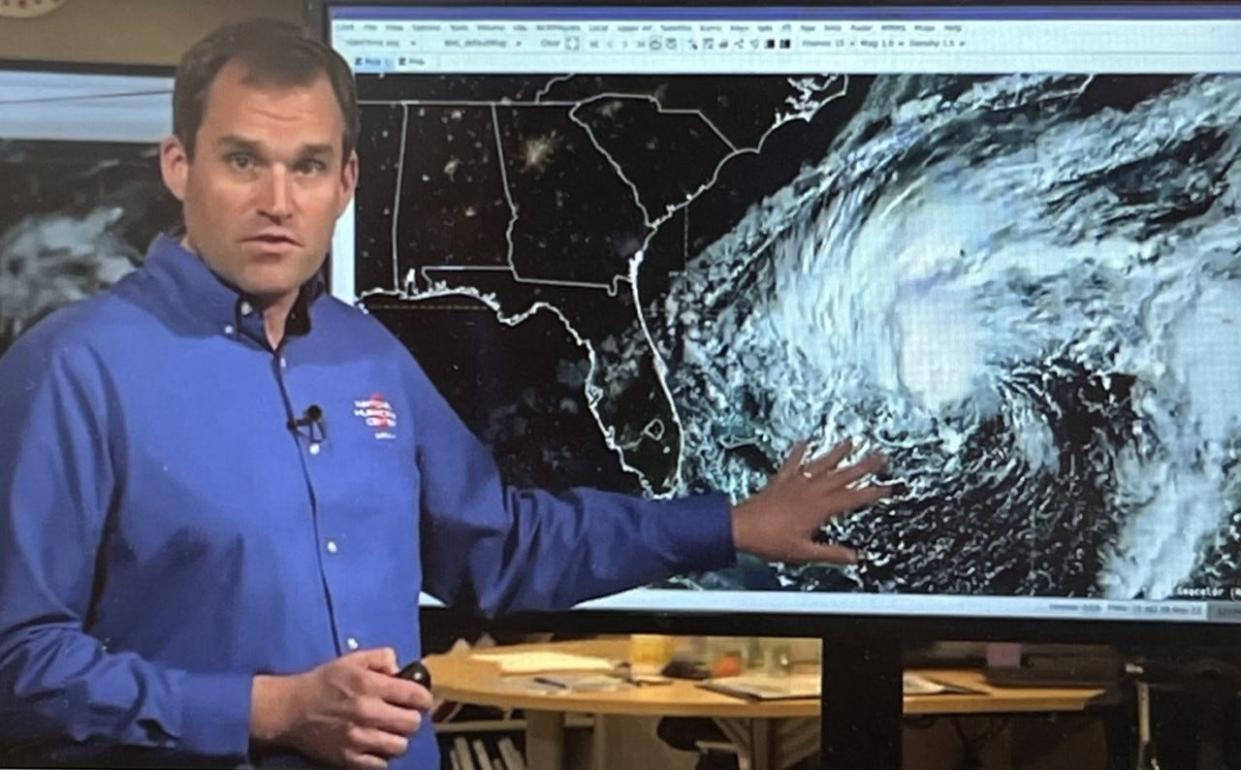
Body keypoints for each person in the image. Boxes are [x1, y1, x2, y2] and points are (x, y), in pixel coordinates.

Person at [0, 18, 890, 770]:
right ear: (178, 166)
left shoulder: (366, 358)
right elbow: (20, 662)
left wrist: (729, 526)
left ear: (345, 183)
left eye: (307, 167)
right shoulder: (73, 370)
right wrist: (261, 711)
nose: (277, 200)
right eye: (243, 160)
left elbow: (498, 546)